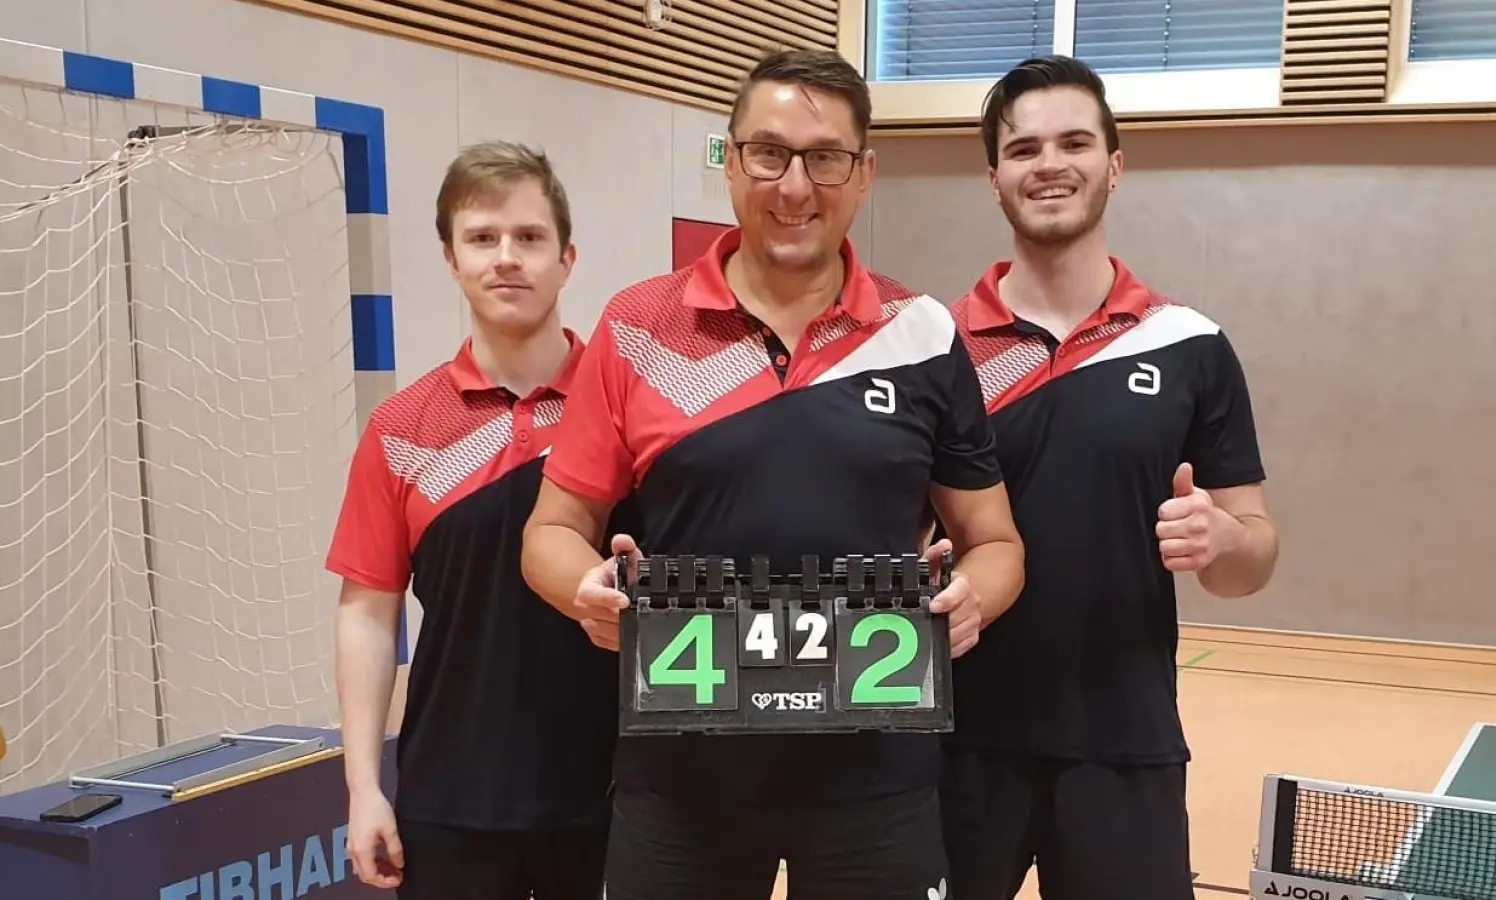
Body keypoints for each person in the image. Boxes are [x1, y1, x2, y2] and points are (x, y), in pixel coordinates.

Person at [520, 48, 1026, 900]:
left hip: (877, 780)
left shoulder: (924, 332)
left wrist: (976, 593)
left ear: (864, 174)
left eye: (825, 158)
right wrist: (585, 588)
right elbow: (549, 532)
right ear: (731, 162)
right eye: (769, 153)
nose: (796, 186)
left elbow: (997, 542)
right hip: (681, 784)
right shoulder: (638, 327)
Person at [938, 56, 1280, 900]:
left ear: (1114, 165)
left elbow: (1254, 558)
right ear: (995, 179)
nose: (1048, 163)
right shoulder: (934, 348)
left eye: (1074, 142)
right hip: (952, 744)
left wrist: (1225, 539)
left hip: (1123, 742)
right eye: (1023, 149)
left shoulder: (1190, 345)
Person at [326, 141, 625, 900]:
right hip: (451, 799)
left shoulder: (627, 409)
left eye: (529, 238)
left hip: (615, 796)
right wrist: (364, 789)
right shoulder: (402, 429)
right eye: (482, 239)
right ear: (452, 260)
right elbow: (367, 612)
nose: (506, 259)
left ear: (567, 257)